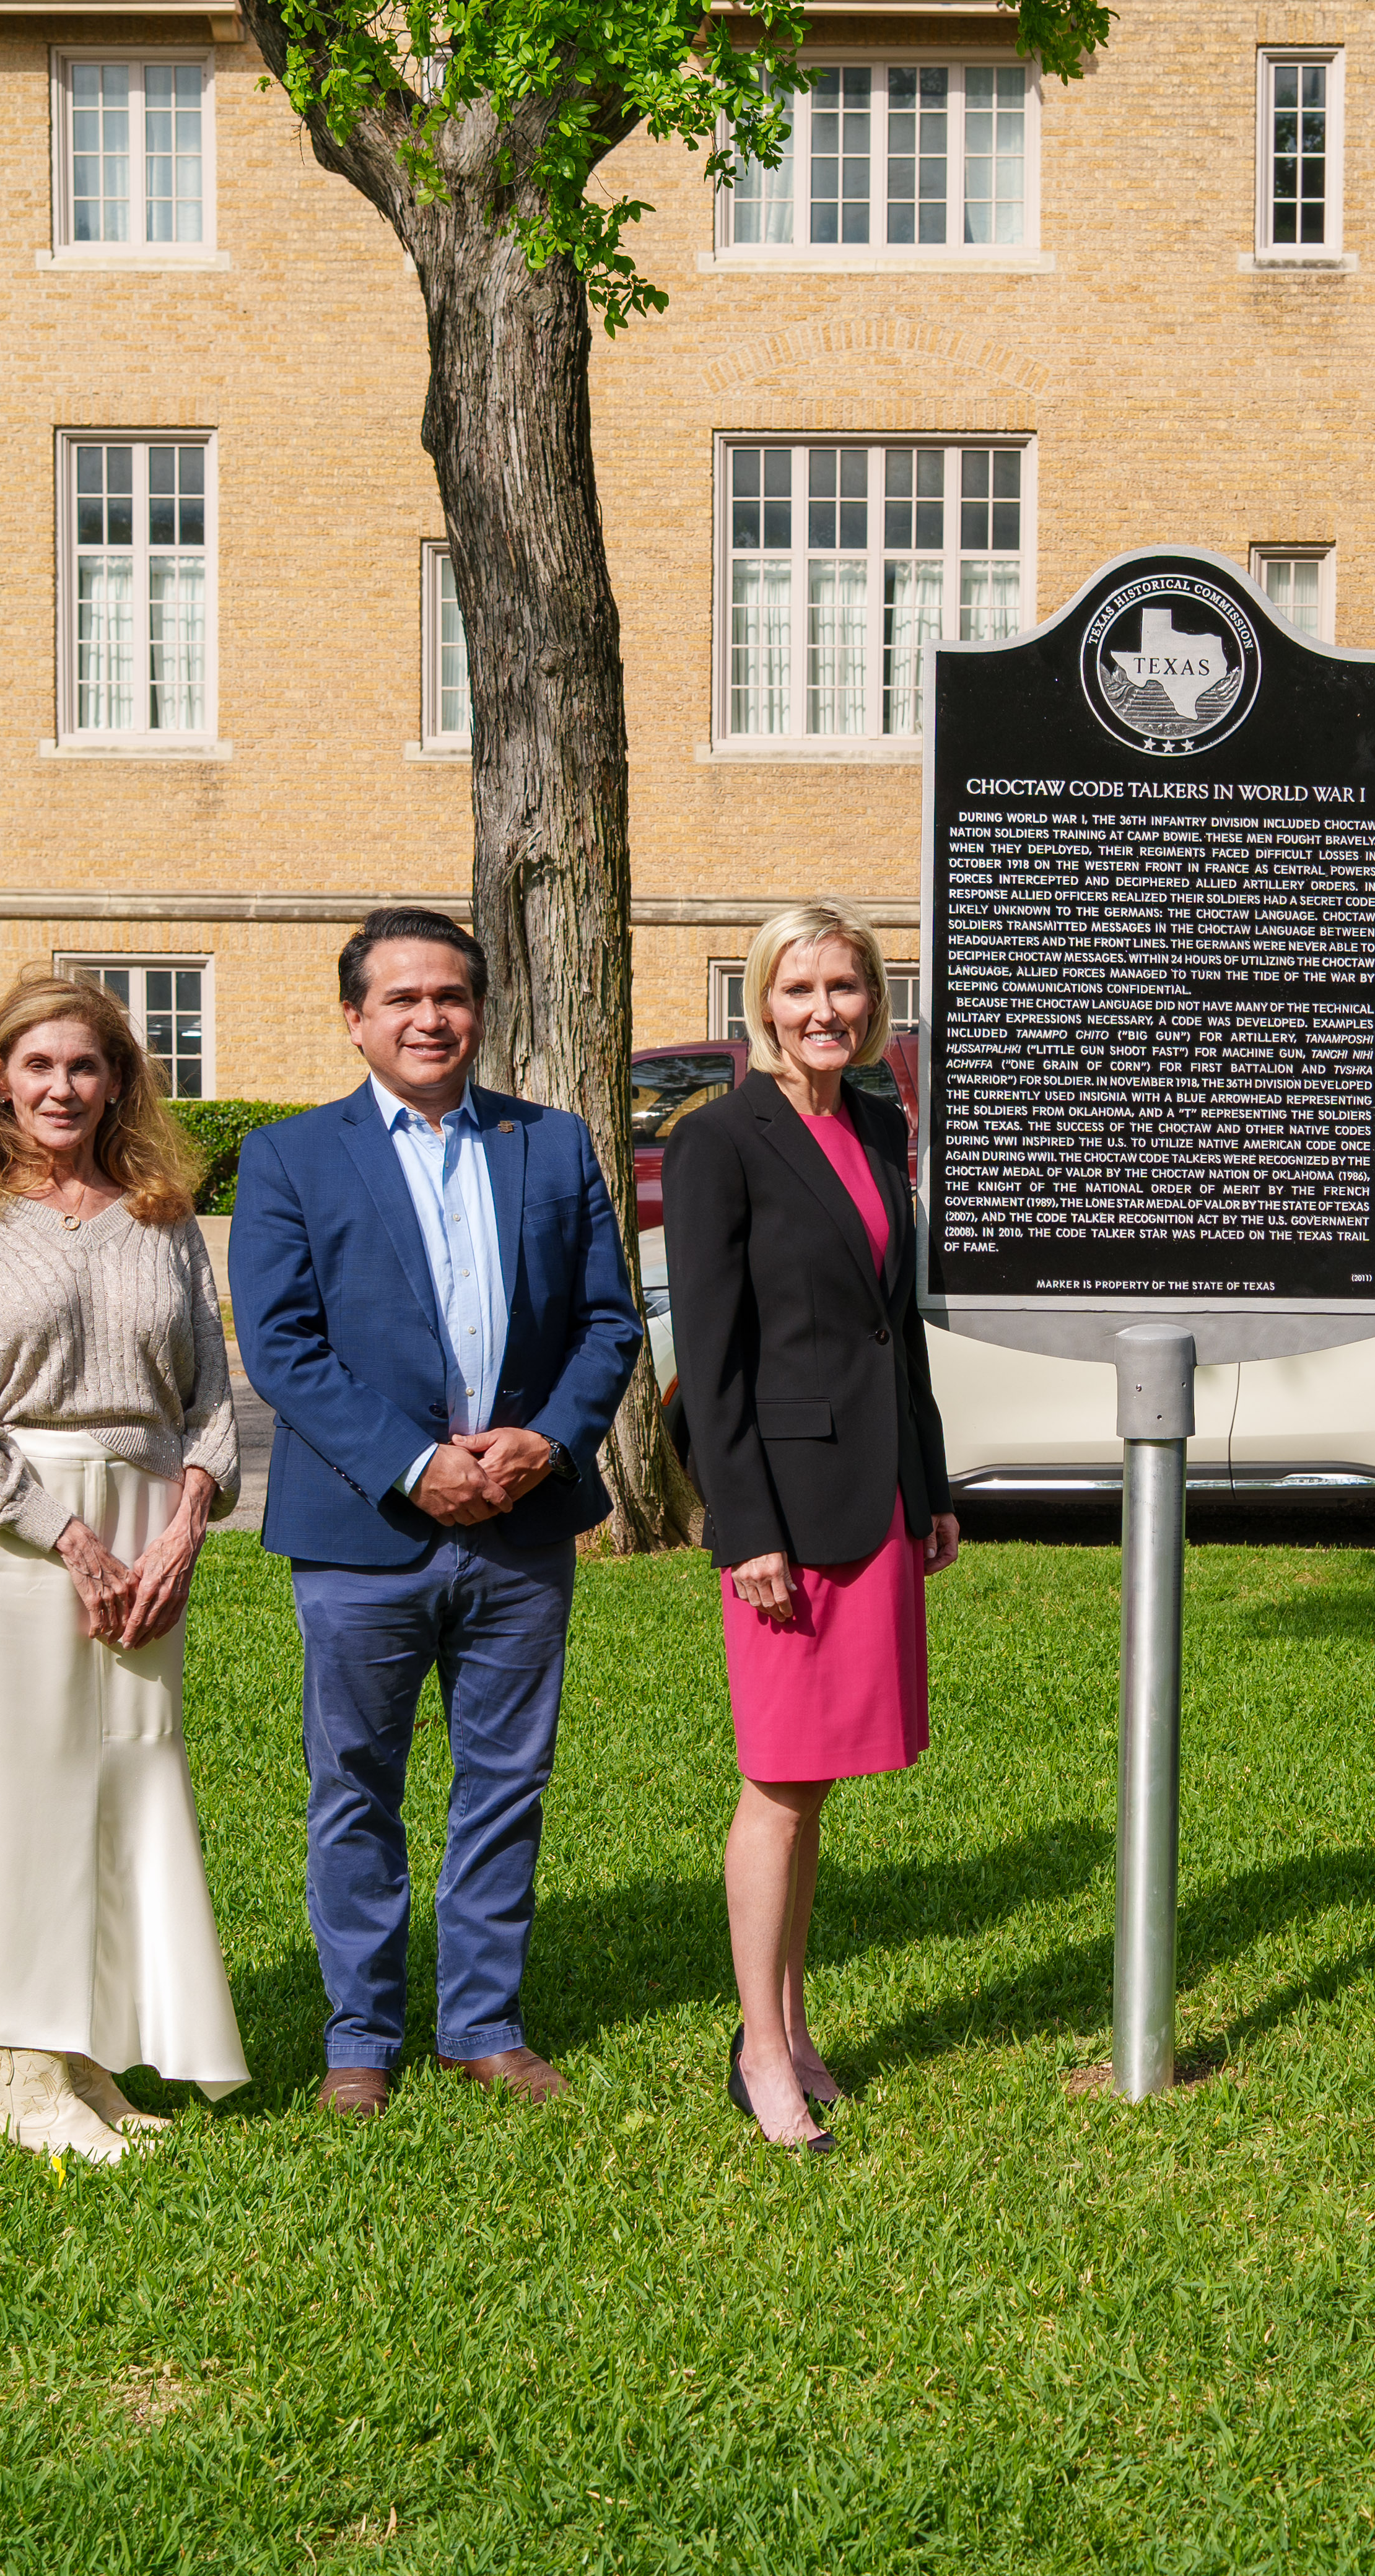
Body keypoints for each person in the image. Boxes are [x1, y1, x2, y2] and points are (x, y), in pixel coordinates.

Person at [232, 906, 643, 2116]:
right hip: (367, 1535)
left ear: (480, 1010)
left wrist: (546, 1441)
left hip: (520, 1527)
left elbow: (609, 1322)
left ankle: (483, 2021)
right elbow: (282, 1346)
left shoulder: (552, 1147)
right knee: (353, 1782)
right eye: (402, 998)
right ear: (354, 1017)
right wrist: (414, 1464)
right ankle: (360, 2035)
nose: (430, 1017)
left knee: (504, 1780)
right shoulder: (290, 1158)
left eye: (451, 994)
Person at [0, 975, 250, 2161]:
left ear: (119, 1079)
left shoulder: (162, 1216)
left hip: (152, 1529)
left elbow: (212, 1398)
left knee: (125, 1788)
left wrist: (182, 1527)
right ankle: (17, 2072)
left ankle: (91, 2056)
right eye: (38, 1066)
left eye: (86, 1067)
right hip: (20, 1535)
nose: (62, 1088)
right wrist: (68, 1536)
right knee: (23, 1799)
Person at [664, 903, 961, 2156]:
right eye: (798, 989)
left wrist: (931, 1482)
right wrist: (747, 1532)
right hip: (785, 1513)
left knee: (817, 1784)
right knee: (778, 1785)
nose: (823, 1009)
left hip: (876, 1492)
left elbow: (896, 1326)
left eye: (844, 986)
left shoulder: (878, 1121)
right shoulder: (720, 1140)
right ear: (762, 1003)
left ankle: (789, 2025)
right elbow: (712, 1357)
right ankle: (760, 2051)